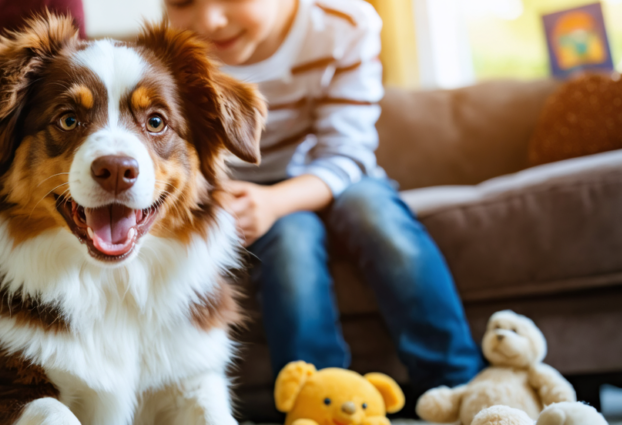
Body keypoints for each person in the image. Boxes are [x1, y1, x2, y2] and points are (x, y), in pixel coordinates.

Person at [165, 0, 483, 397]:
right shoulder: (171, 50)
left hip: (336, 176)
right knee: (291, 238)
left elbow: (347, 153)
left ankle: (459, 386)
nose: (209, 20)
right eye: (181, 1)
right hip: (244, 189)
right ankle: (315, 401)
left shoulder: (345, 24)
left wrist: (276, 201)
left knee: (374, 214)